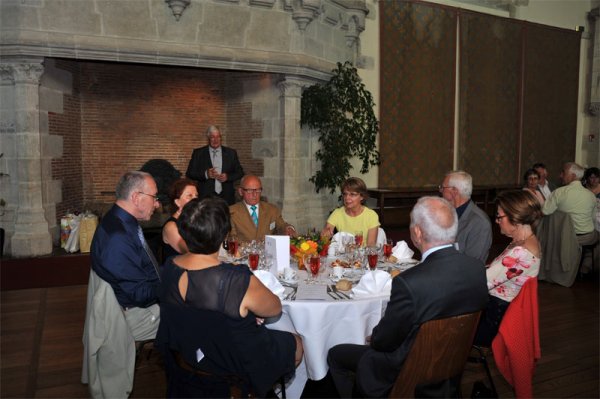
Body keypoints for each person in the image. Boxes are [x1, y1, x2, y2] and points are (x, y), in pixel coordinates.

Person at [327, 196, 488, 398]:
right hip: (450, 365)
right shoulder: (476, 269)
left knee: (335, 354)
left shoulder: (410, 282)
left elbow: (385, 341)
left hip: (405, 370)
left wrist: (374, 336)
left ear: (418, 233)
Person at [155, 197, 303, 397]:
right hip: (232, 363)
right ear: (224, 234)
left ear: (182, 231)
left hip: (186, 356)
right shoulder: (235, 278)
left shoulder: (169, 267)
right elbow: (275, 308)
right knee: (296, 342)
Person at [91, 171, 161, 341]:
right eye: (154, 197)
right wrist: (176, 282)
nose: (157, 204)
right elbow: (141, 295)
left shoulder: (118, 220)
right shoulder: (118, 237)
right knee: (198, 312)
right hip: (134, 316)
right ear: (136, 197)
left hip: (135, 301)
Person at [474, 190, 542, 346]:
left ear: (515, 218)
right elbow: (495, 271)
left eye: (499, 216)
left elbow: (480, 284)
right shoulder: (525, 241)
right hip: (499, 311)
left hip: (494, 319)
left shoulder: (521, 252)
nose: (496, 221)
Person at [543, 162, 598, 273]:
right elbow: (593, 220)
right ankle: (586, 266)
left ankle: (576, 264)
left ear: (573, 176)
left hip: (563, 237)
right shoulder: (591, 195)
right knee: (597, 236)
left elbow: (545, 212)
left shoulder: (558, 193)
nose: (560, 175)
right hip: (585, 237)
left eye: (563, 172)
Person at [439, 170, 492, 263]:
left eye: (443, 187)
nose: (441, 191)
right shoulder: (446, 213)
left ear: (454, 191)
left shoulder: (479, 222)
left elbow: (472, 264)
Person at [185, 125, 244, 205]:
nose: (215, 140)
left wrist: (228, 177)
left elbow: (240, 172)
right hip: (205, 197)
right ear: (208, 138)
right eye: (212, 137)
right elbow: (189, 173)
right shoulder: (198, 153)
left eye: (218, 137)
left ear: (221, 138)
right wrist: (206, 174)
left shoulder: (231, 153)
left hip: (226, 196)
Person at [229, 175, 297, 242]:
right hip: (243, 252)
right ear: (241, 191)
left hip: (268, 251)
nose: (254, 194)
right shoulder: (231, 212)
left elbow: (281, 226)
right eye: (249, 190)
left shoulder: (272, 210)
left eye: (258, 190)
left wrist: (288, 229)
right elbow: (232, 239)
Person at [321, 177, 380, 246]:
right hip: (342, 255)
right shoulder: (337, 213)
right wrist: (325, 236)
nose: (347, 198)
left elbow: (371, 246)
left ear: (362, 197)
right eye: (345, 194)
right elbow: (324, 238)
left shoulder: (371, 215)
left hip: (363, 255)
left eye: (352, 194)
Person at [162, 178, 198, 259]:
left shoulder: (193, 221)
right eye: (189, 196)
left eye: (196, 195)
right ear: (177, 202)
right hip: (178, 270)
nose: (195, 200)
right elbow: (190, 252)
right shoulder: (171, 226)